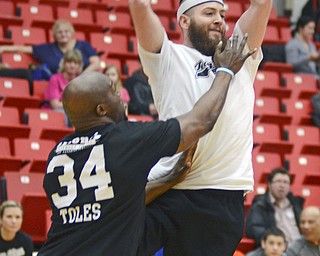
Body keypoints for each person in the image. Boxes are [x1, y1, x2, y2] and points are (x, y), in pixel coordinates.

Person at [37, 35, 255, 255]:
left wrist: (167, 181)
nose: (122, 97)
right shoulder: (124, 139)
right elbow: (200, 121)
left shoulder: (58, 152)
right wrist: (225, 71)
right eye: (114, 92)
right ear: (101, 110)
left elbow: (112, 202)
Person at [129, 0, 272, 255]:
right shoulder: (169, 58)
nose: (219, 19)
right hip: (173, 190)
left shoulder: (239, 55)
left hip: (225, 196)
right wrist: (140, 5)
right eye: (208, 13)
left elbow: (261, 5)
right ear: (184, 21)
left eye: (221, 14)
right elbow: (140, 9)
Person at [0, 19, 100, 76]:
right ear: (54, 35)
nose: (63, 34)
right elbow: (24, 49)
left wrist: (81, 77)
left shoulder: (83, 45)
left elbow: (96, 63)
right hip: (56, 85)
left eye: (66, 31)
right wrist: (4, 48)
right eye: (59, 32)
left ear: (72, 33)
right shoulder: (47, 49)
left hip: (85, 83)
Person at [245, 168, 304, 246]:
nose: (282, 185)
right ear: (269, 184)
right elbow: (254, 229)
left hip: (301, 248)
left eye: (286, 182)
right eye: (278, 181)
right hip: (278, 249)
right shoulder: (260, 205)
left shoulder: (296, 205)